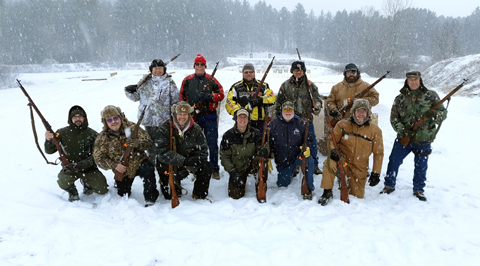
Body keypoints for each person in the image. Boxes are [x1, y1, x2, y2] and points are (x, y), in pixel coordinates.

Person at [380, 71, 447, 201]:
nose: (413, 82)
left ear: (420, 80)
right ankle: (389, 185)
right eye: (410, 80)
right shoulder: (399, 99)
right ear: (407, 82)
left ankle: (419, 189)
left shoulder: (431, 95)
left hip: (424, 138)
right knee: (394, 160)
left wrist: (432, 115)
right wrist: (404, 131)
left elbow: (443, 114)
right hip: (403, 138)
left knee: (421, 166)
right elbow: (394, 119)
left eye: (415, 79)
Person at [318, 99, 384, 206]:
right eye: (358, 111)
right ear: (353, 112)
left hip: (360, 167)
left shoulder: (375, 130)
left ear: (368, 113)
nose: (361, 114)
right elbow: (332, 140)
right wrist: (333, 151)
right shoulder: (343, 125)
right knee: (328, 163)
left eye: (364, 111)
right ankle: (327, 191)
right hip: (343, 161)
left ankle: (347, 181)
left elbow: (378, 153)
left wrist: (376, 173)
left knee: (357, 195)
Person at [93, 105, 159, 207]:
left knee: (148, 169)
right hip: (122, 171)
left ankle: (150, 198)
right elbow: (98, 158)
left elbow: (149, 142)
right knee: (123, 193)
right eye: (109, 120)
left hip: (138, 163)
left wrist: (138, 143)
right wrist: (114, 165)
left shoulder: (132, 128)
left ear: (120, 117)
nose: (113, 122)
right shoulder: (102, 138)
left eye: (115, 118)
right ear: (105, 122)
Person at [124, 59, 180, 176]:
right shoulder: (144, 82)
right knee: (150, 144)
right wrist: (128, 91)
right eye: (155, 69)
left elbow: (176, 102)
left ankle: (163, 166)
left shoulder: (169, 82)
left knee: (163, 144)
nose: (158, 71)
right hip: (148, 119)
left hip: (164, 120)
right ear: (151, 70)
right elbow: (135, 97)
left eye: (160, 68)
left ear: (164, 70)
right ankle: (152, 166)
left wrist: (175, 118)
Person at [44, 105, 108, 202]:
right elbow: (49, 151)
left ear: (84, 118)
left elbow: (98, 155)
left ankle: (87, 184)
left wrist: (80, 165)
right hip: (70, 169)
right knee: (63, 181)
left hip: (88, 168)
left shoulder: (93, 134)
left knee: (102, 189)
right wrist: (48, 140)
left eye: (80, 116)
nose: (77, 119)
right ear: (70, 119)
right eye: (74, 117)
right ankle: (72, 191)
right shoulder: (61, 132)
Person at [180, 54, 224, 180]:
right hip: (193, 118)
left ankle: (214, 169)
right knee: (194, 146)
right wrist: (186, 113)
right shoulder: (187, 80)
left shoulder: (212, 80)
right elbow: (182, 99)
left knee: (212, 144)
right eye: (197, 64)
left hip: (209, 117)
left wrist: (210, 97)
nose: (200, 66)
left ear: (205, 66)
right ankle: (196, 168)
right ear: (194, 66)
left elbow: (221, 94)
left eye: (202, 64)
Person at [155, 101, 211, 200]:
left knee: (206, 166)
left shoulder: (196, 129)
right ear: (175, 114)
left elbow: (203, 153)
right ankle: (167, 181)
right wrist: (182, 161)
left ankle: (198, 194)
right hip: (172, 161)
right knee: (169, 195)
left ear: (189, 115)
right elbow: (161, 152)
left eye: (185, 114)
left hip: (190, 161)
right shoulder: (164, 128)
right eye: (179, 114)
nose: (182, 117)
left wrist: (188, 168)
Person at [275, 60, 323, 175]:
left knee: (311, 144)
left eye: (301, 70)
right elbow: (279, 102)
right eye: (296, 70)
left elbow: (317, 99)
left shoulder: (310, 86)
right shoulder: (285, 85)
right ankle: (295, 165)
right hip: (291, 121)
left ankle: (314, 165)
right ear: (292, 71)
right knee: (293, 145)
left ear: (304, 71)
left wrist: (317, 106)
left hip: (306, 120)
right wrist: (279, 116)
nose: (298, 72)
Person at [269, 101, 315, 199]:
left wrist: (306, 147)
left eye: (290, 109)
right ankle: (291, 171)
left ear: (294, 111)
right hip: (283, 161)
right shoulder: (273, 124)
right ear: (281, 111)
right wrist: (267, 154)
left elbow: (309, 140)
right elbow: (268, 143)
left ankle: (309, 187)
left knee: (309, 160)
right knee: (282, 184)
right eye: (285, 110)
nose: (288, 112)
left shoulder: (301, 124)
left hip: (297, 157)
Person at [220, 108, 268, 199]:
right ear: (236, 119)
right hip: (237, 167)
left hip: (252, 163)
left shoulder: (256, 133)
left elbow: (264, 146)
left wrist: (264, 150)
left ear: (248, 119)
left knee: (263, 161)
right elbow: (224, 156)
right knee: (235, 195)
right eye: (240, 117)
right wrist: (232, 172)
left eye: (245, 117)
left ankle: (261, 181)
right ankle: (240, 178)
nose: (242, 119)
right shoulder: (228, 135)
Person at [225, 63, 276, 132]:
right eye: (246, 72)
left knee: (260, 142)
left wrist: (261, 100)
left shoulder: (263, 86)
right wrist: (238, 112)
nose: (249, 74)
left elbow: (272, 98)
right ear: (242, 73)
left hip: (260, 123)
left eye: (251, 72)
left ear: (254, 73)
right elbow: (229, 102)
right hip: (242, 123)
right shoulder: (236, 87)